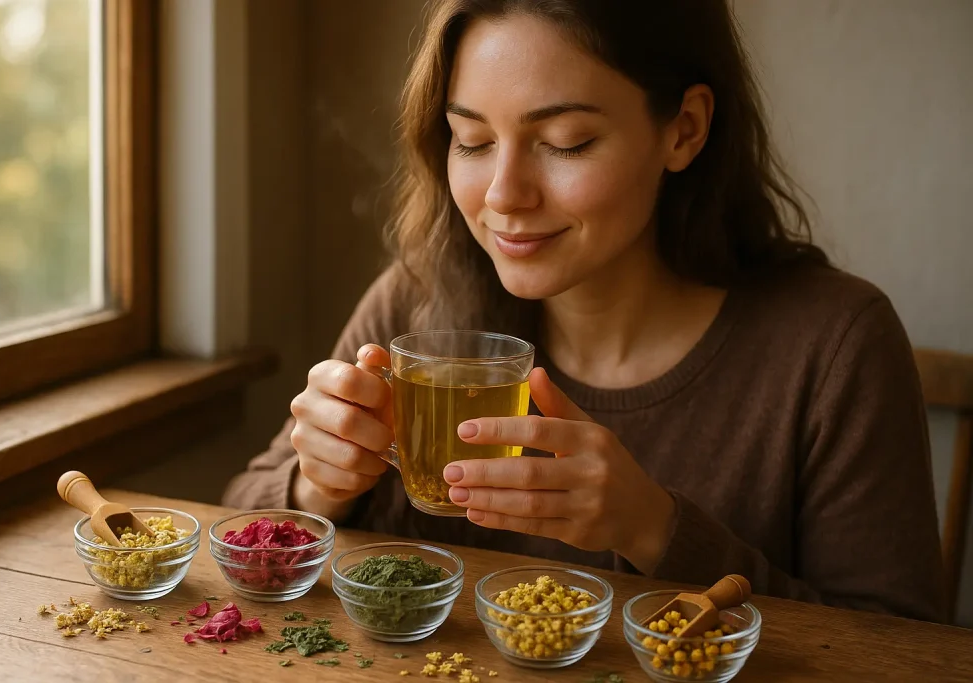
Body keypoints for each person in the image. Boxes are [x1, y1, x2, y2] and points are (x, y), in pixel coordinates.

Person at [224, 0, 945, 623]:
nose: (504, 194)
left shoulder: (835, 345)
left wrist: (655, 529)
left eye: (565, 142)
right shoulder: (421, 302)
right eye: (470, 139)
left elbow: (903, 649)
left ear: (684, 130)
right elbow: (238, 516)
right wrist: (316, 483)